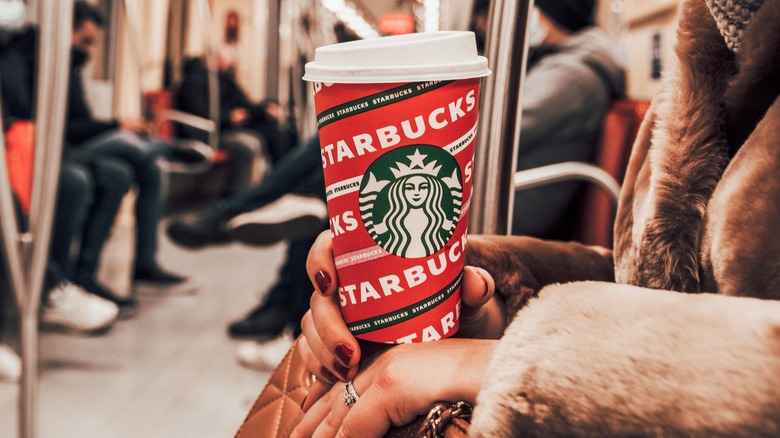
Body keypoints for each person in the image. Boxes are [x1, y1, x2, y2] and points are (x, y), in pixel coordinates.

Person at [290, 0, 780, 436]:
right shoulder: (714, 36)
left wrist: (521, 365)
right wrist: (489, 303)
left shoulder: (578, 72)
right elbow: (664, 292)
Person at [1, 25, 121, 329]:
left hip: (40, 141)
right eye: (84, 40)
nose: (88, 50)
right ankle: (49, 286)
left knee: (120, 172)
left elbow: (59, 119)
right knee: (76, 180)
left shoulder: (59, 63)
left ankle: (70, 279)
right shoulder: (23, 60)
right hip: (43, 141)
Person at [67, 2, 186, 306]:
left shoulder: (73, 68)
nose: (89, 51)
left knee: (148, 168)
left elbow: (82, 121)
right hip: (67, 146)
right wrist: (119, 123)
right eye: (85, 41)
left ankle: (142, 261)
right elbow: (67, 128)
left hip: (84, 141)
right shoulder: (54, 68)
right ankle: (174, 149)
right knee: (140, 149)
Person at [480, 0, 624, 239]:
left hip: (514, 210)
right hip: (509, 193)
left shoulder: (570, 76)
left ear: (547, 15)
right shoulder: (566, 64)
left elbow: (494, 134)